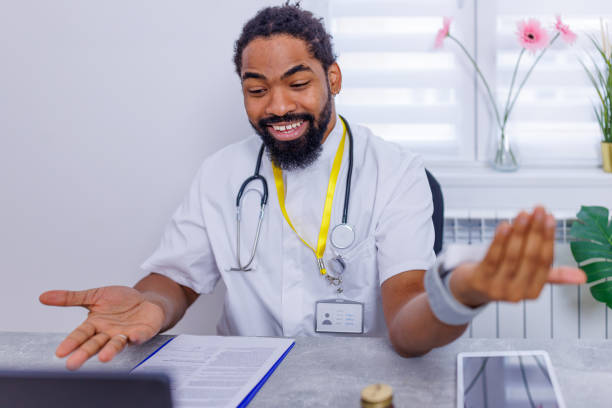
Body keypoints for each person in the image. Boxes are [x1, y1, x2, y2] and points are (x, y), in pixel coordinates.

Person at [39, 3, 586, 371]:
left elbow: (405, 325)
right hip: (244, 383)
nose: (277, 106)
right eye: (257, 90)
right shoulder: (222, 174)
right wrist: (148, 304)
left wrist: (459, 293)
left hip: (357, 385)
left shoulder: (395, 172)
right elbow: (175, 283)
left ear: (334, 79)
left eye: (298, 83)